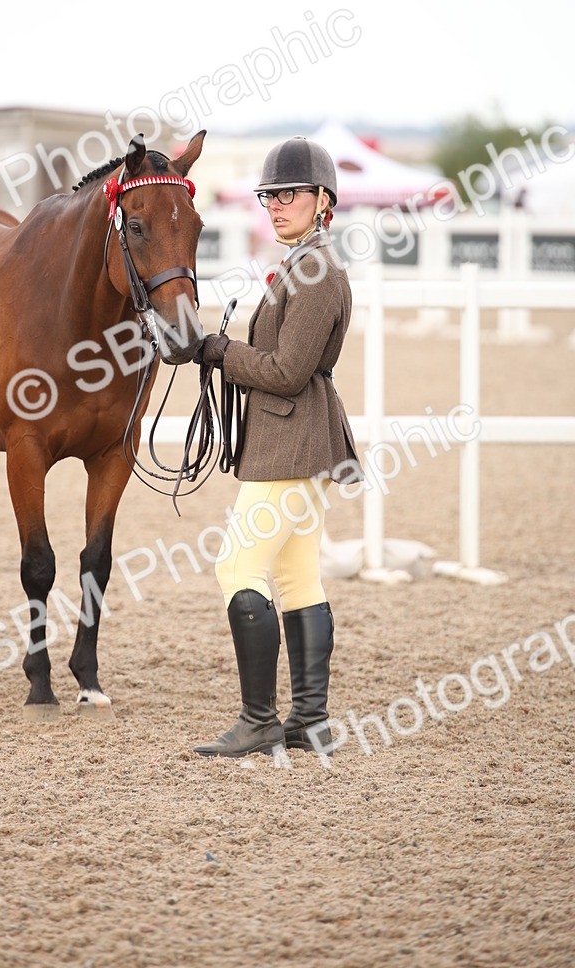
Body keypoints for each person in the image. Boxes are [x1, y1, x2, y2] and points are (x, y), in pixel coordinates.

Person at [193, 136, 363, 759]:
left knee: (236, 567)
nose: (275, 204)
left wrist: (219, 353)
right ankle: (308, 720)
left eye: (289, 194)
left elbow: (289, 370)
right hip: (296, 438)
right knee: (295, 574)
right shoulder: (300, 261)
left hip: (292, 439)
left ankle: (260, 720)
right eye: (270, 195)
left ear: (324, 201)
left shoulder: (315, 269)